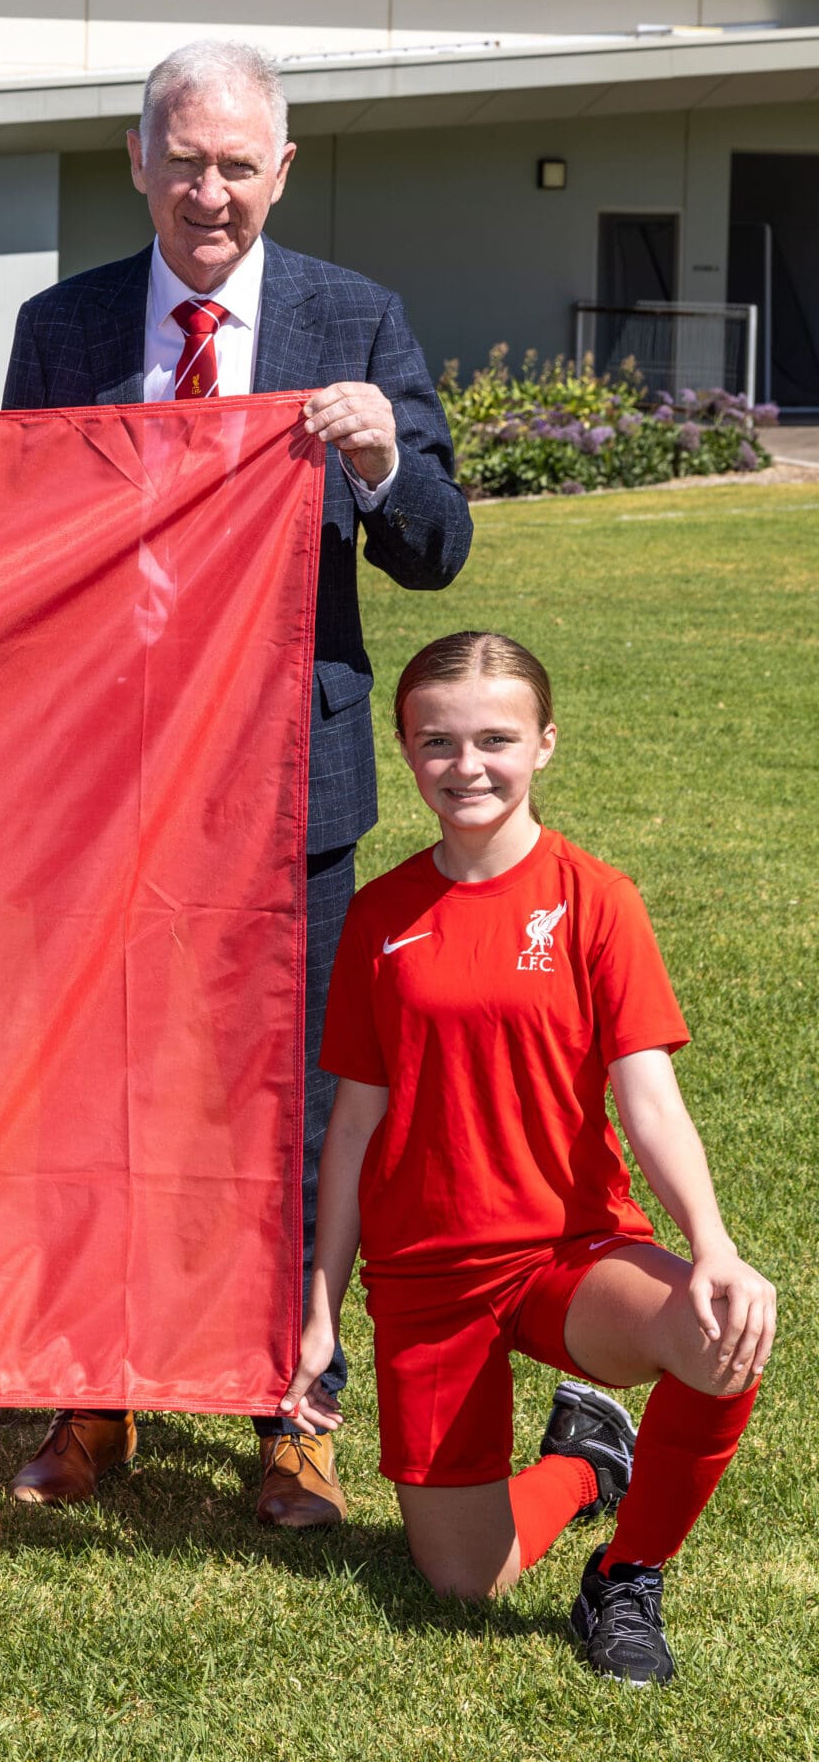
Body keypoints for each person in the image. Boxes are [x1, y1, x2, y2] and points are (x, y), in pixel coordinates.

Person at [0, 38, 474, 1526]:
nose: (209, 189)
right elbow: (11, 539)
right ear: (137, 160)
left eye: (236, 163)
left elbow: (440, 546)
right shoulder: (62, 326)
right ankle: (98, 1384)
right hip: (110, 786)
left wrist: (388, 457)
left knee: (309, 1109)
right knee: (105, 1088)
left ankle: (296, 1405)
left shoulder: (354, 316)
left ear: (283, 169)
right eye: (183, 158)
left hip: (291, 787)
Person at [283, 631, 774, 1685]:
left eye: (495, 738)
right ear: (406, 751)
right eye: (437, 742)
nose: (467, 765)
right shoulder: (378, 915)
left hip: (567, 1250)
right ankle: (584, 1458)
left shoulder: (598, 899)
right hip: (426, 1277)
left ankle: (627, 1572)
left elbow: (649, 1100)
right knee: (461, 1583)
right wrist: (321, 1307)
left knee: (716, 1331)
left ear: (544, 742)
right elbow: (353, 1129)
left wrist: (714, 1243)